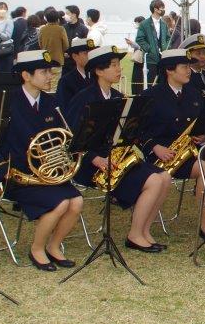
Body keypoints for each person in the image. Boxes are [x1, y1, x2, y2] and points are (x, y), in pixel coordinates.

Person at [65, 45, 173, 251]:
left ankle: (144, 230)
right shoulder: (83, 99)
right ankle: (134, 235)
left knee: (165, 177)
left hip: (117, 160)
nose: (119, 69)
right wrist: (95, 159)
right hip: (92, 164)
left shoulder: (117, 95)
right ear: (98, 70)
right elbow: (72, 139)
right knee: (152, 180)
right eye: (113, 65)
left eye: (118, 64)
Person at [0, 50, 84, 271]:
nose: (50, 76)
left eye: (51, 71)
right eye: (44, 71)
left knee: (77, 202)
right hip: (20, 176)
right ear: (26, 75)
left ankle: (54, 246)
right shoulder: (6, 103)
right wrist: (1, 171)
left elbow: (61, 137)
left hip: (49, 173)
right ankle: (37, 248)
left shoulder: (51, 102)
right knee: (61, 202)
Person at [137, 47, 205, 245]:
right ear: (169, 70)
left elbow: (201, 123)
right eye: (184, 66)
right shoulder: (151, 95)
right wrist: (154, 147)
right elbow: (138, 132)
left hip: (185, 154)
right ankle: (142, 230)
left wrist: (201, 135)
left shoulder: (194, 94)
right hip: (159, 155)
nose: (188, 70)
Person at [136, 0, 171, 83]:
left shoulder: (163, 24)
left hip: (163, 58)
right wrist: (150, 49)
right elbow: (139, 39)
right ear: (155, 9)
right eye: (162, 7)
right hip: (150, 59)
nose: (163, 10)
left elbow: (168, 38)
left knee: (163, 82)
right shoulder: (144, 24)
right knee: (151, 82)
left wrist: (166, 49)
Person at [56, 37, 94, 111]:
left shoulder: (98, 77)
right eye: (86, 53)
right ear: (75, 56)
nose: (90, 56)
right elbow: (64, 109)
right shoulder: (66, 81)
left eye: (92, 53)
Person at [37, 9, 69, 89]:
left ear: (46, 19)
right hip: (57, 61)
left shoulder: (42, 29)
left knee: (44, 85)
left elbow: (40, 44)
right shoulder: (60, 29)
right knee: (55, 86)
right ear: (57, 19)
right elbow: (66, 45)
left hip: (44, 61)